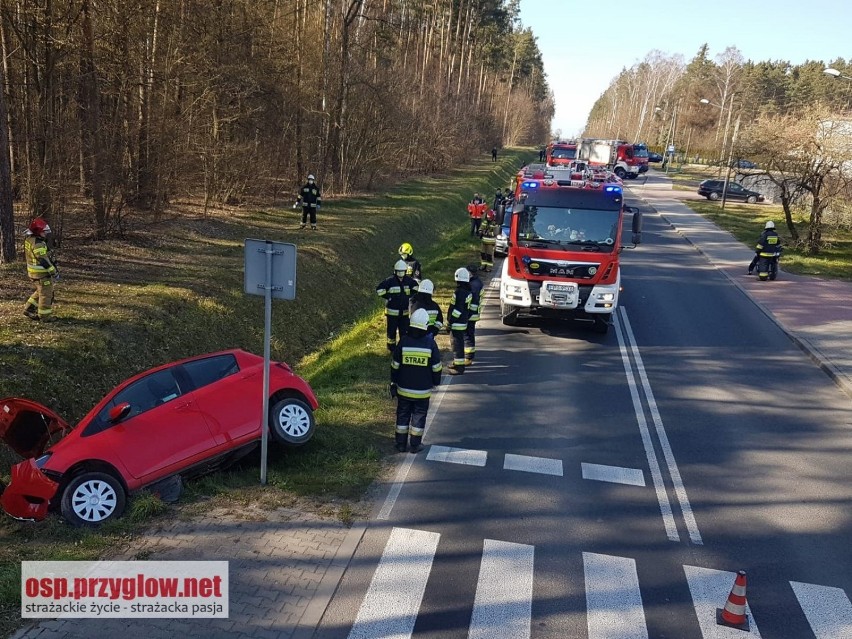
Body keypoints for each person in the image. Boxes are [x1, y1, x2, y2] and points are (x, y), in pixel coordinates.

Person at [390, 308, 442, 453]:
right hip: (422, 392)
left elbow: (395, 365)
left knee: (402, 415)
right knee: (419, 418)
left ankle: (400, 444)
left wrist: (393, 382)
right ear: (425, 326)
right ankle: (415, 444)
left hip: (404, 390)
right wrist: (436, 382)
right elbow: (436, 367)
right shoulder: (430, 344)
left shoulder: (404, 341)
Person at [376, 259, 419, 351]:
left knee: (404, 332)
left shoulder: (408, 280)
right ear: (395, 271)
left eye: (402, 271)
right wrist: (389, 296)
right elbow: (379, 290)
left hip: (404, 312)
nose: (400, 273)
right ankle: (391, 348)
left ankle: (403, 347)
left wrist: (409, 295)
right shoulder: (390, 280)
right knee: (391, 332)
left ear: (405, 271)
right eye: (399, 271)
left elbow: (416, 287)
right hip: (392, 313)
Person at [23, 217, 58, 322]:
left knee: (41, 291)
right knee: (46, 294)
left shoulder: (29, 239)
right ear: (38, 232)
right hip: (41, 274)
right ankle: (45, 316)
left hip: (33, 273)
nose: (45, 234)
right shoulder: (38, 243)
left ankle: (29, 308)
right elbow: (43, 260)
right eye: (43, 232)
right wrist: (54, 272)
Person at [446, 267, 473, 375]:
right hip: (463, 322)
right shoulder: (467, 291)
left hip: (456, 323)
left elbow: (457, 309)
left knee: (456, 345)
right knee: (459, 343)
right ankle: (457, 363)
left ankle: (459, 368)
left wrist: (450, 321)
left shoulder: (459, 292)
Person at [464, 265, 483, 365]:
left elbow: (474, 302)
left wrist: (468, 315)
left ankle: (468, 357)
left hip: (471, 315)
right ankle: (468, 356)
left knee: (468, 335)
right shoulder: (476, 282)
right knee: (468, 334)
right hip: (473, 314)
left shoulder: (474, 285)